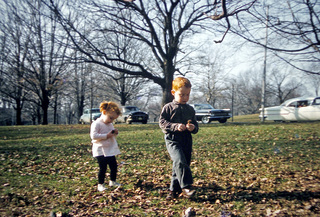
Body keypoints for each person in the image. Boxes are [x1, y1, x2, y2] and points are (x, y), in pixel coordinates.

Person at [159, 77, 199, 199]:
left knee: (181, 164)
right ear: (173, 93)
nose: (185, 98)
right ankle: (186, 187)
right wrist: (175, 126)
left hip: (186, 140)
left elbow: (195, 125)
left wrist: (193, 127)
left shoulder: (190, 109)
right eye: (182, 95)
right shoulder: (168, 107)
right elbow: (162, 122)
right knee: (180, 161)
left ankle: (173, 191)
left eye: (187, 95)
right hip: (173, 139)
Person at [90, 101, 122, 192]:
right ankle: (100, 184)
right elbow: (94, 136)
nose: (111, 121)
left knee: (113, 166)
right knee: (103, 167)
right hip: (100, 149)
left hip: (109, 149)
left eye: (113, 119)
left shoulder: (110, 124)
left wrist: (115, 133)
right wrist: (106, 136)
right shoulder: (96, 123)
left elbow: (111, 134)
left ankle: (113, 181)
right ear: (104, 113)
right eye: (110, 118)